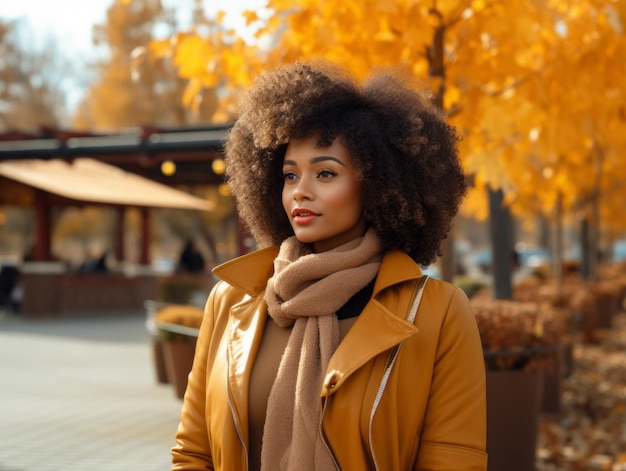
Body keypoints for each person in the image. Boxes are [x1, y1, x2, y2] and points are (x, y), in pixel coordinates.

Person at [171, 61, 487, 470]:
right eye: (289, 175)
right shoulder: (230, 301)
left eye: (324, 173)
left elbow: (453, 461)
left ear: (376, 184)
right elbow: (193, 452)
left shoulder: (439, 313)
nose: (300, 192)